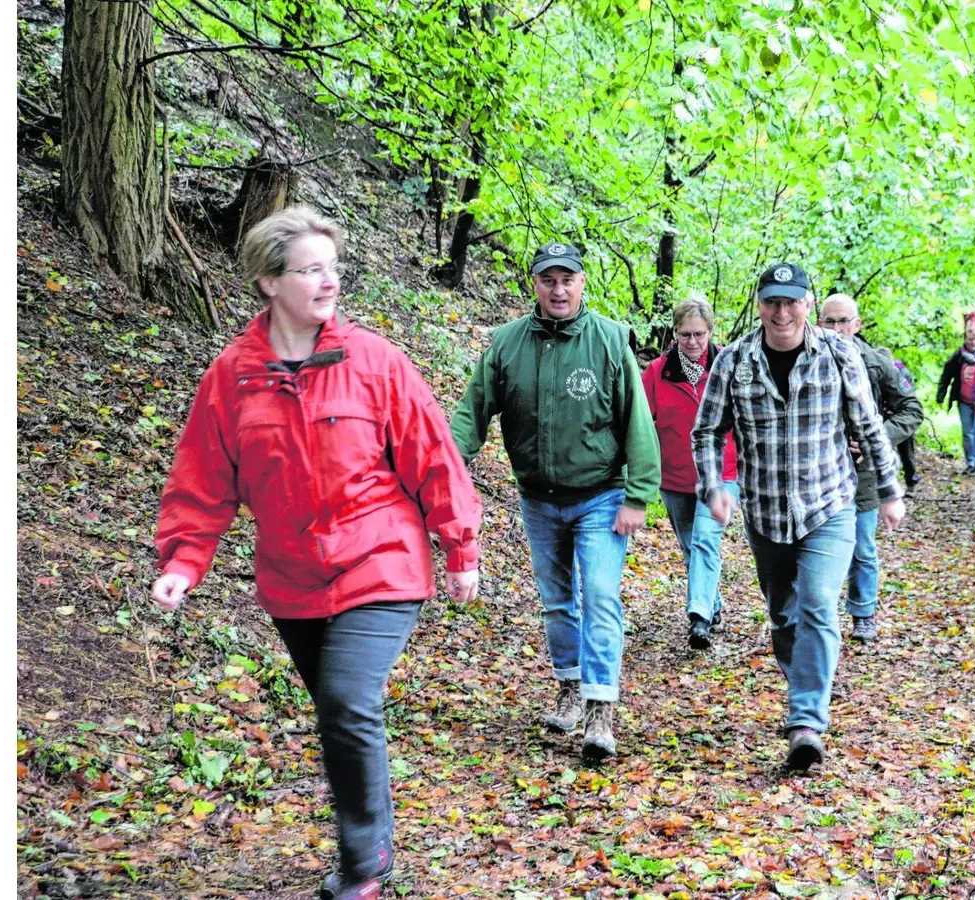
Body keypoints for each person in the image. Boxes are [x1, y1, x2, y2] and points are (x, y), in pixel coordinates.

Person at [150, 207, 483, 900]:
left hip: (382, 557)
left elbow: (432, 456)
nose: (329, 282)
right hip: (293, 575)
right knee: (338, 713)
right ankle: (373, 840)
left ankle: (365, 864)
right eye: (311, 270)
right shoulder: (233, 377)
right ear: (269, 282)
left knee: (346, 700)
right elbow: (202, 478)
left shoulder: (375, 361)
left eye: (333, 268)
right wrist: (184, 560)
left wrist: (460, 545)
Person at [451, 240, 660, 763]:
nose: (558, 289)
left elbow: (636, 419)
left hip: (601, 495)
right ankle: (570, 686)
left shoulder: (609, 340)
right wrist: (443, 471)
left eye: (567, 279)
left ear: (582, 283)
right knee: (558, 601)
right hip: (538, 500)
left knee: (601, 597)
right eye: (549, 280)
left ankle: (600, 709)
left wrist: (639, 495)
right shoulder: (507, 343)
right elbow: (471, 413)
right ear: (536, 285)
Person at [692, 264, 905, 771]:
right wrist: (712, 487)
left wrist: (890, 490)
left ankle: (806, 722)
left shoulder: (839, 354)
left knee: (817, 605)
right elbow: (707, 432)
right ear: (760, 305)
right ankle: (805, 683)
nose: (782, 312)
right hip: (765, 512)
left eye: (791, 302)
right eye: (773, 302)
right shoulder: (735, 361)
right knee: (783, 616)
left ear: (807, 304)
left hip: (829, 505)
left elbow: (869, 425)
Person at [818, 293, 924, 643]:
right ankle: (817, 616)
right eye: (830, 321)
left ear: (857, 324)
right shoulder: (805, 358)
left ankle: (863, 612)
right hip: (817, 473)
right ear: (818, 322)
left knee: (861, 546)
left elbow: (911, 409)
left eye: (843, 321)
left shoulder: (876, 364)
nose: (837, 328)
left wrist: (875, 439)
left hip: (862, 474)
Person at [641, 297, 740, 650]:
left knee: (704, 539)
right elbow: (641, 423)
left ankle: (699, 616)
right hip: (674, 477)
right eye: (685, 335)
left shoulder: (729, 365)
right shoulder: (657, 372)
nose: (693, 342)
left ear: (711, 332)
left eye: (699, 334)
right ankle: (712, 605)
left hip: (722, 473)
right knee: (690, 546)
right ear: (674, 333)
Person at [936, 324, 975, 475]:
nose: (973, 342)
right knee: (967, 432)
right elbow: (946, 375)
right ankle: (970, 461)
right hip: (964, 400)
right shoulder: (958, 356)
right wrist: (941, 395)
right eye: (970, 339)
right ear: (965, 339)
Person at [891, 356, 922, 489]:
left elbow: (909, 396)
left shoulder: (902, 373)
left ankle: (911, 481)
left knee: (906, 451)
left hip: (902, 416)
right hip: (887, 415)